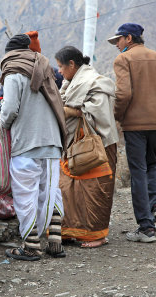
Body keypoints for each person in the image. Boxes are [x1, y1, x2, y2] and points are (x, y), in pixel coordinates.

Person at [0, 33, 67, 261]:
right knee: (50, 191)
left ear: (9, 53)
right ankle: (55, 241)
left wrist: (2, 125)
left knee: (24, 195)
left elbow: (9, 109)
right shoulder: (47, 70)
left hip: (26, 143)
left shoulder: (13, 72)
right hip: (52, 141)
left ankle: (31, 245)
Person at [108, 23, 156, 243]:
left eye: (118, 40)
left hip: (135, 126)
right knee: (152, 164)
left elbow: (124, 93)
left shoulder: (123, 59)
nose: (116, 45)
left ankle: (146, 228)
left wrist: (118, 116)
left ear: (129, 38)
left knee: (137, 171)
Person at [55, 46, 119, 248]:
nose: (59, 72)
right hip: (72, 144)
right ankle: (68, 230)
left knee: (94, 190)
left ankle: (96, 235)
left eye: (61, 67)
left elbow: (99, 114)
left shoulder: (94, 82)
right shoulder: (70, 84)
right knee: (67, 188)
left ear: (72, 64)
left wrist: (71, 112)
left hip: (97, 144)